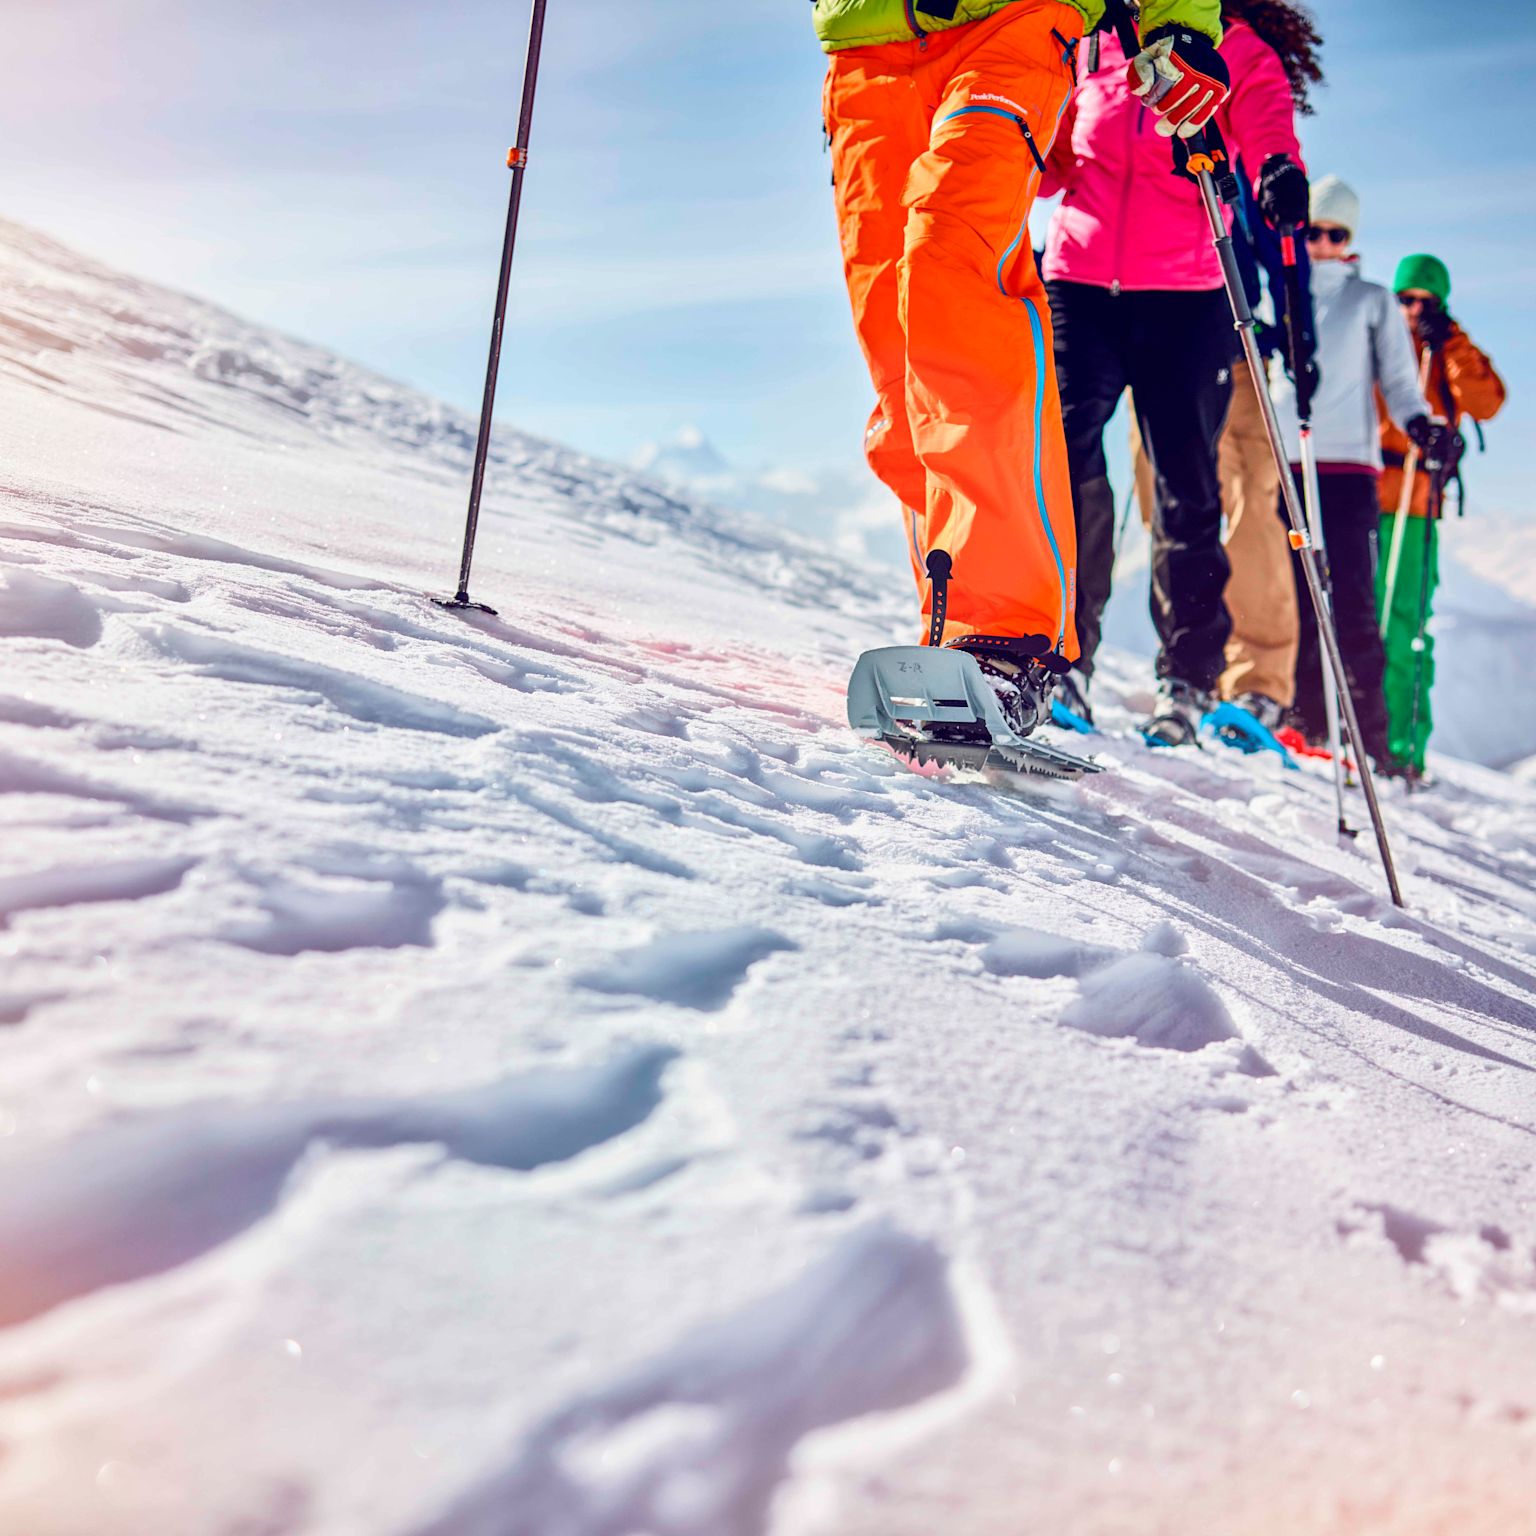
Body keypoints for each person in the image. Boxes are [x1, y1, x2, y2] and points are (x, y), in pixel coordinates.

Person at [816, 0, 1230, 738]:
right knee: (896, 342)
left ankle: (1003, 640)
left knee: (953, 273)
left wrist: (1182, 22)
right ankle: (949, 630)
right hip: (864, 42)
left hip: (1013, 21)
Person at [1041, 0, 1311, 743]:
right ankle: (1061, 654)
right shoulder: (1086, 43)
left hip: (1187, 292)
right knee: (1061, 458)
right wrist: (1019, 148)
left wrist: (1279, 170)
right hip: (1079, 281)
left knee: (1185, 484)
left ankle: (1187, 677)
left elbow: (1264, 129)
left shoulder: (1237, 47)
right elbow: (1055, 158)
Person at [1127, 0, 1322, 737]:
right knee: (1167, 497)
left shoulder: (1233, 54)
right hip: (1155, 307)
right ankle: (1190, 668)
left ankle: (1259, 681)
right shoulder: (1127, 41)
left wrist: (1300, 334)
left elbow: (1281, 232)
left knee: (1241, 496)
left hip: (1230, 318)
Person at [1269, 177, 1449, 768]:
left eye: (1335, 234)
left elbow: (1398, 379)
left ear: (1351, 239)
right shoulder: (1279, 288)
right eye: (1313, 230)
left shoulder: (1371, 299)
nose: (1321, 243)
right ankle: (1304, 717)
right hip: (1288, 462)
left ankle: (1369, 734)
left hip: (1348, 469)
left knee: (1350, 596)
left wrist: (1420, 423)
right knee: (1291, 595)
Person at [1376, 254, 1506, 778]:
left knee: (1406, 627)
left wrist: (1449, 341)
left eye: (1425, 303)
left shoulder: (1447, 353)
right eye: (1405, 300)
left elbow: (1487, 402)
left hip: (1415, 508)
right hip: (1365, 495)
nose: (1413, 311)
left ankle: (1404, 747)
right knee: (1359, 619)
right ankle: (1354, 731)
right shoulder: (1378, 341)